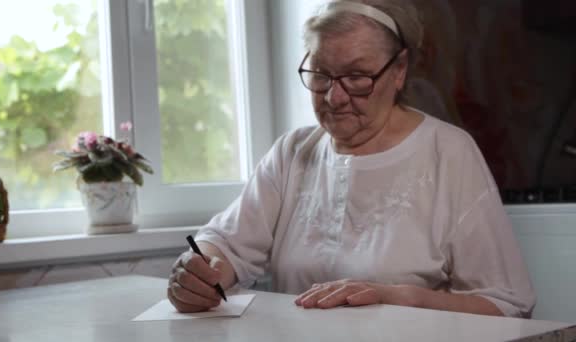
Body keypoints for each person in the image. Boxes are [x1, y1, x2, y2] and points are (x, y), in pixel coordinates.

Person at [167, 0, 535, 318]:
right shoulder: (293, 152)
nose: (334, 98)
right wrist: (199, 272)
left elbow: (506, 304)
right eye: (321, 76)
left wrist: (397, 298)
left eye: (357, 77)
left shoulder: (448, 152)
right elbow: (225, 243)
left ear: (399, 70)